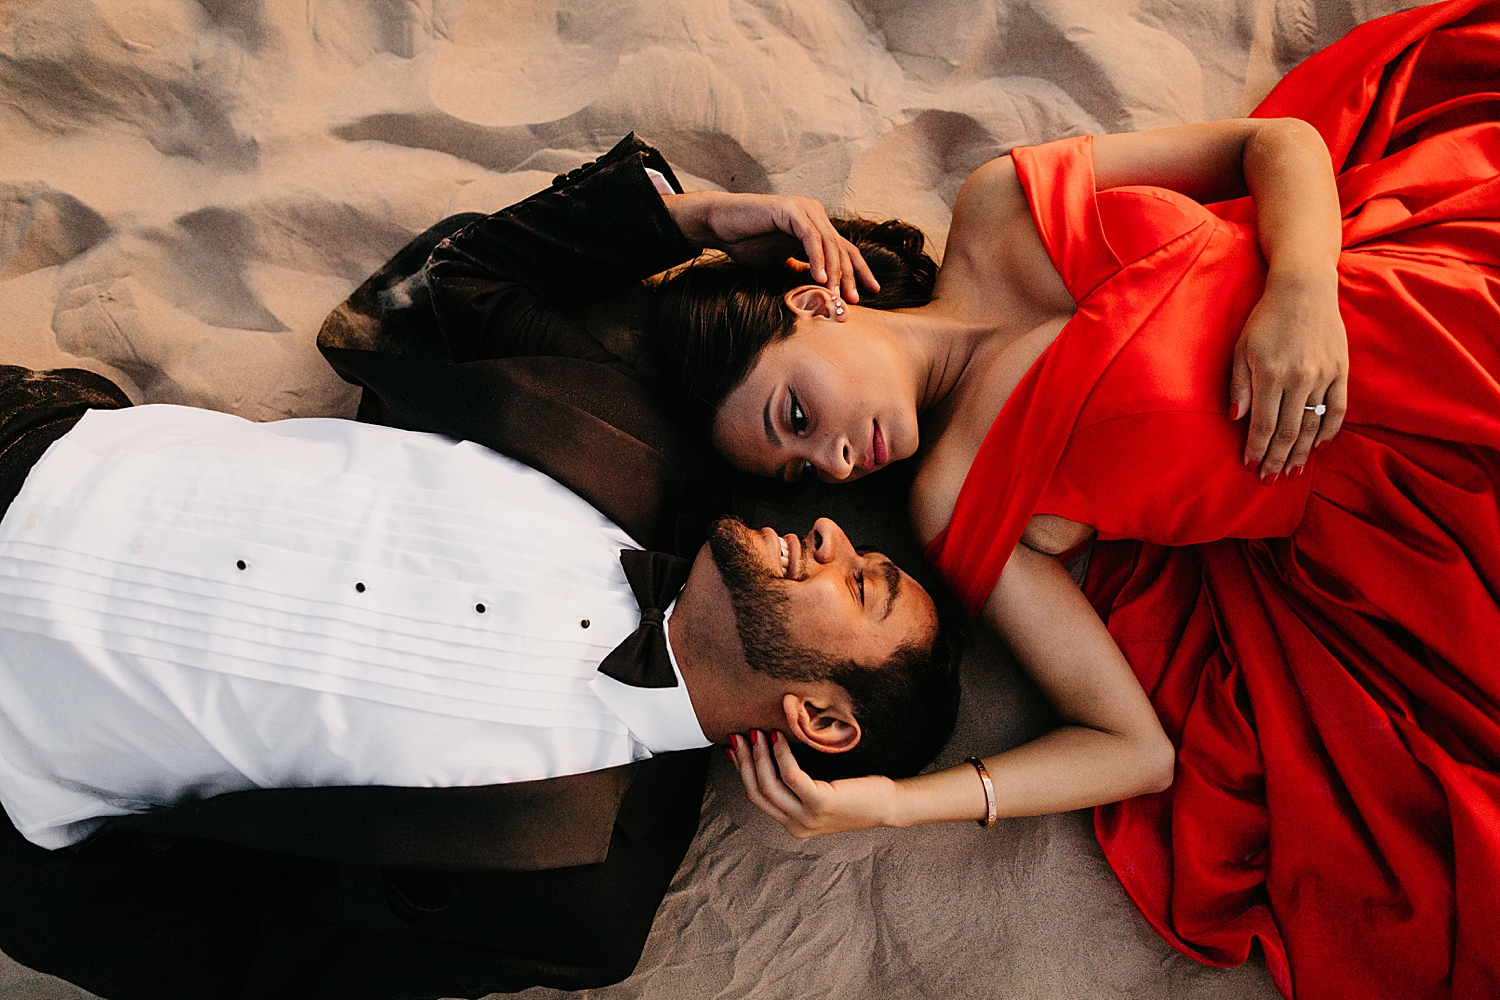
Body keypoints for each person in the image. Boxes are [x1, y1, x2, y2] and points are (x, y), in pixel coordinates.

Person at [641, 2, 1500, 999]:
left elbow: (1278, 145)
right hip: (1412, 520)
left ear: (817, 299)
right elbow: (1131, 751)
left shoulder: (1001, 203)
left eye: (795, 411)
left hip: (1415, 306)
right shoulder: (959, 500)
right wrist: (892, 805)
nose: (831, 458)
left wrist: (1299, 290)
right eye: (800, 472)